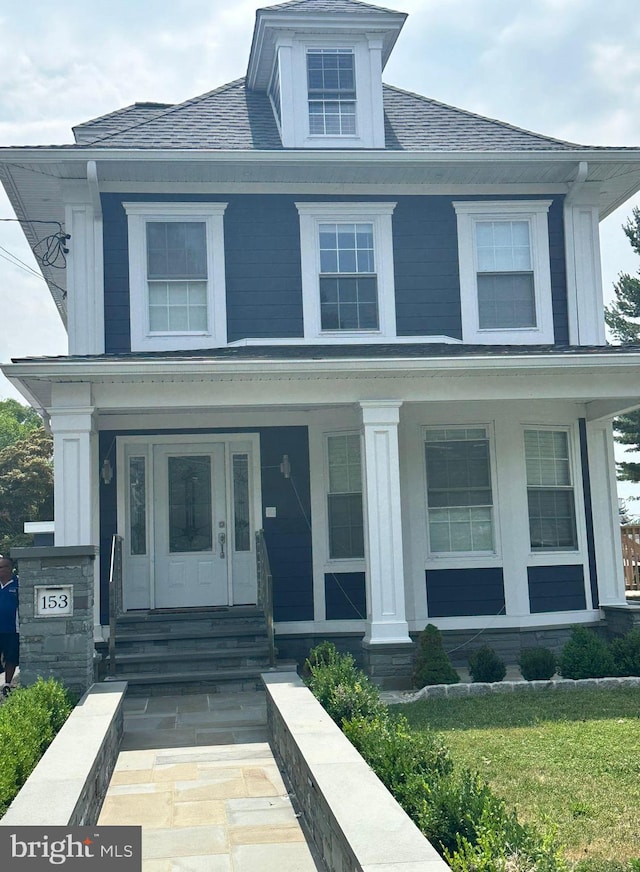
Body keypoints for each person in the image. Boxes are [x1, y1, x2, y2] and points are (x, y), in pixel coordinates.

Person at [0, 557, 18, 697]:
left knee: (10, 657)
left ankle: (7, 684)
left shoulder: (18, 584)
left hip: (12, 628)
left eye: (2, 567)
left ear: (9, 568)